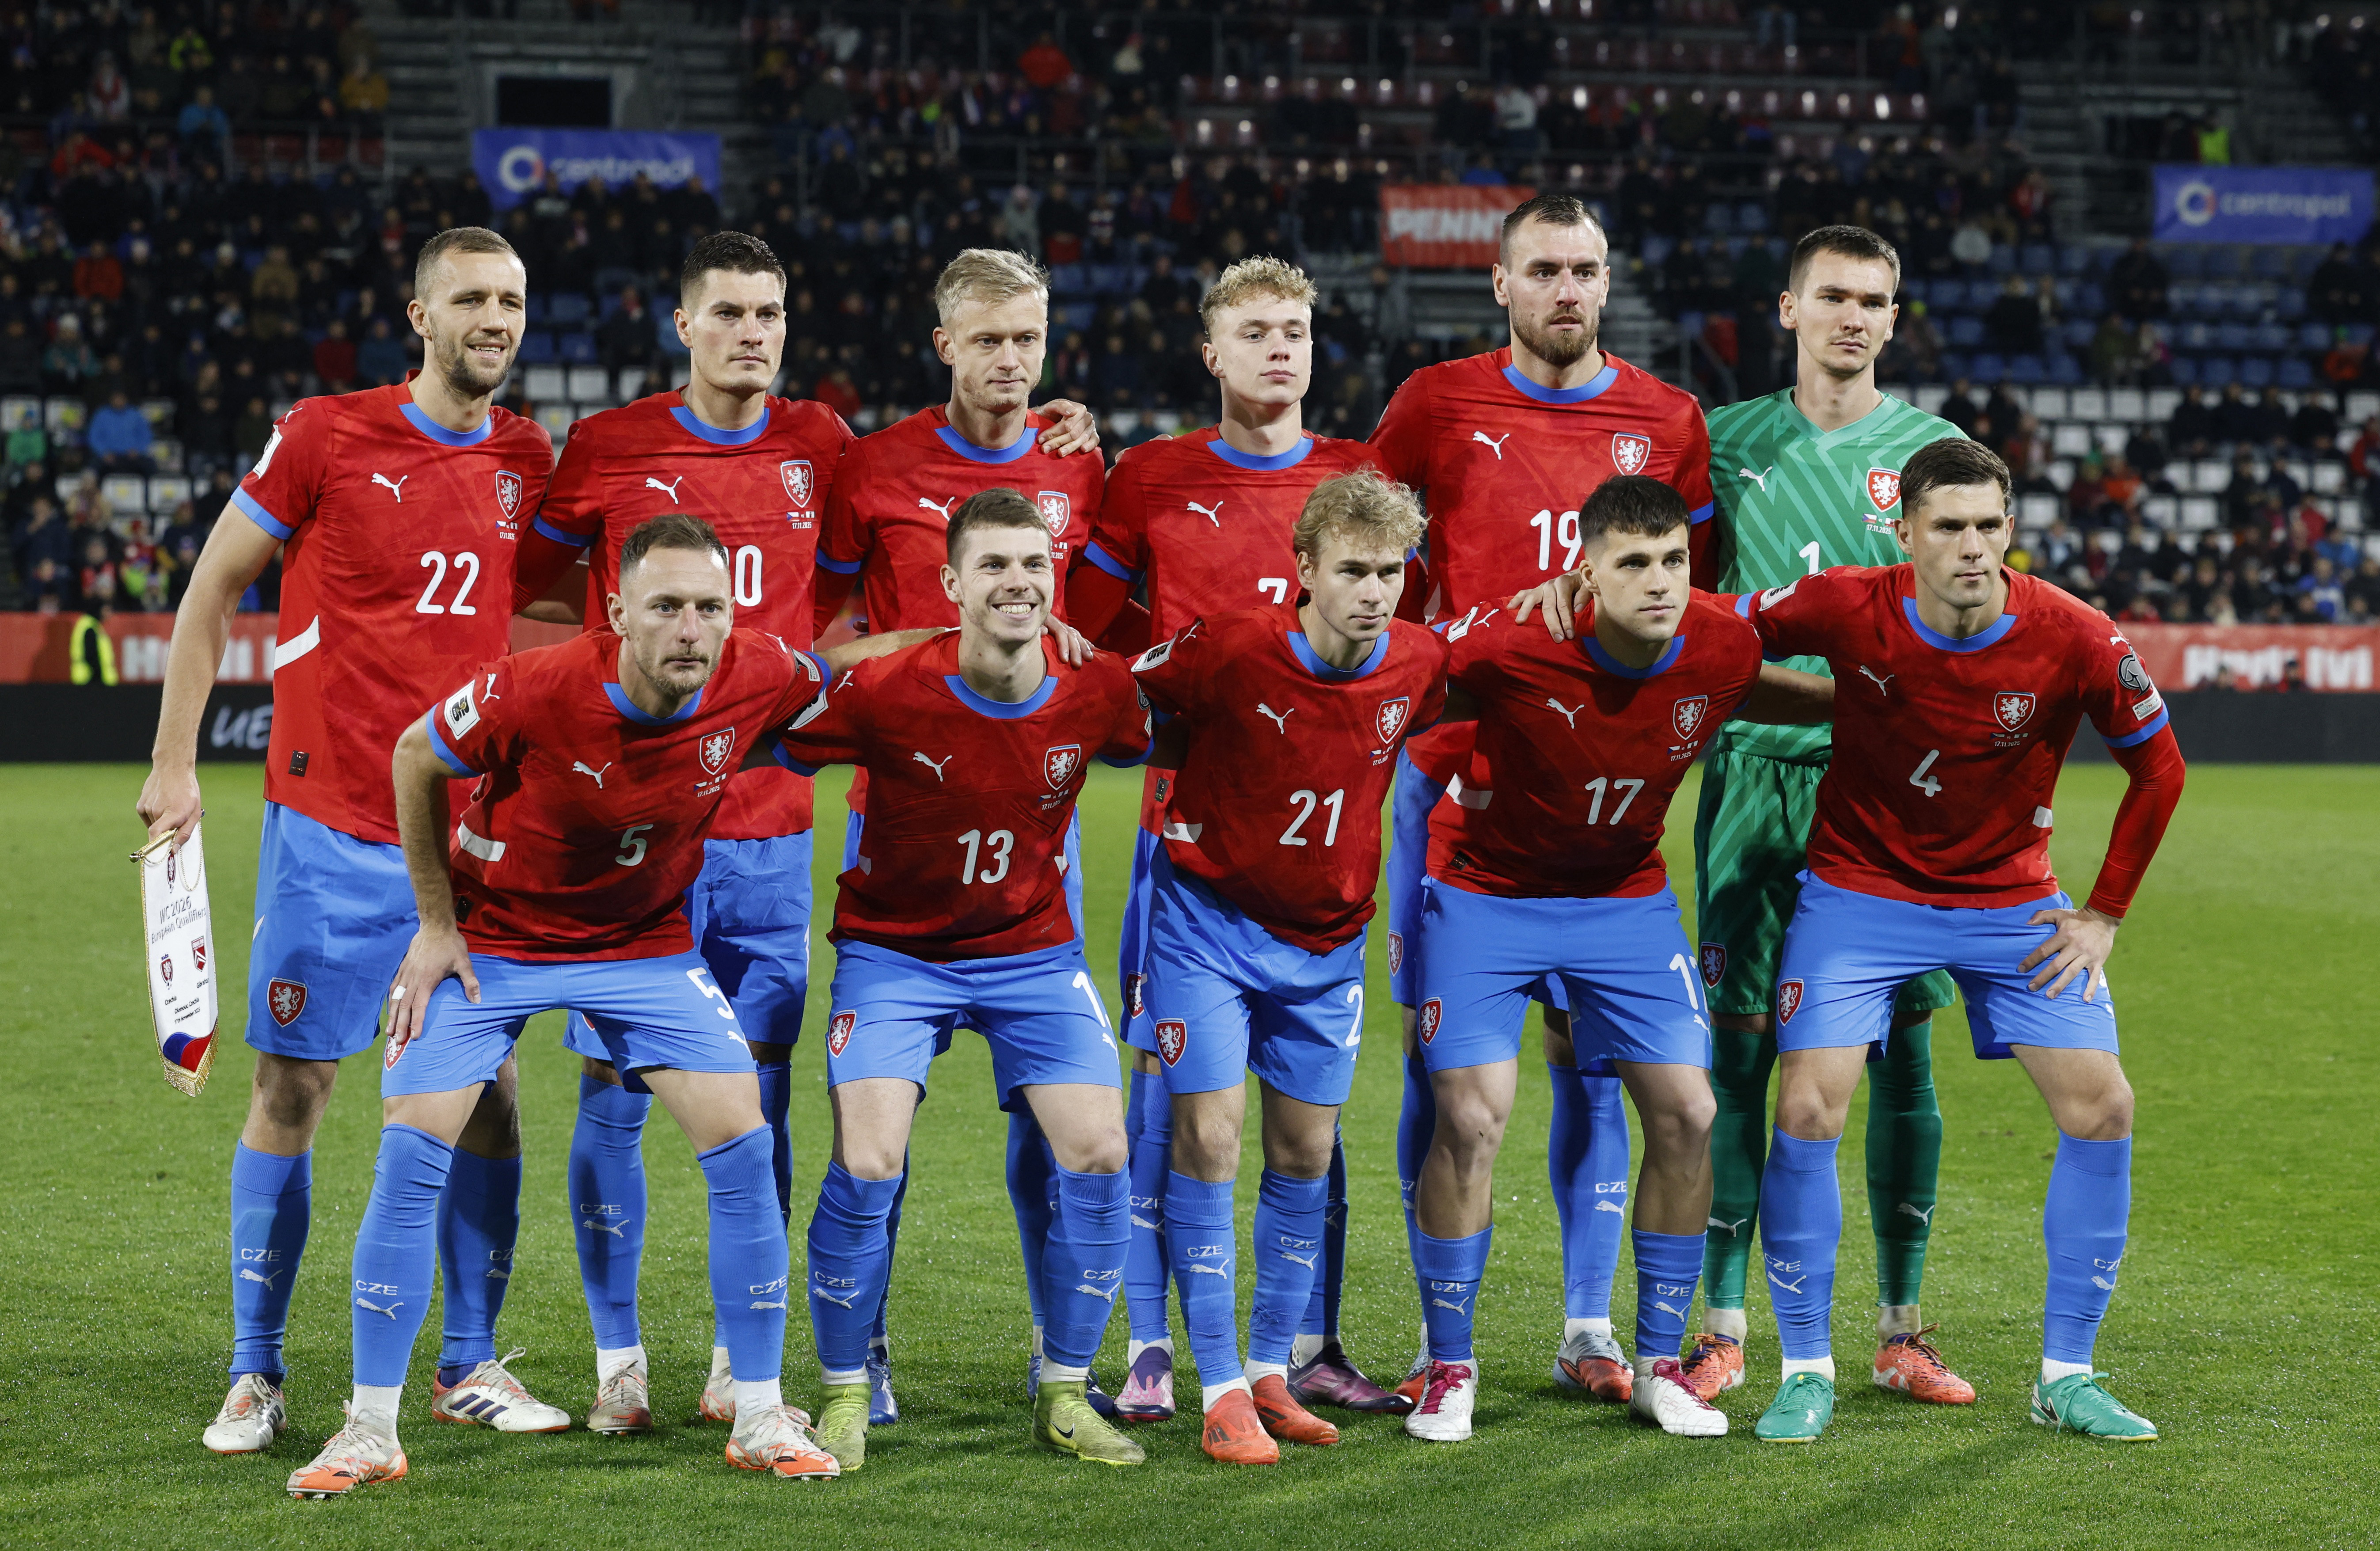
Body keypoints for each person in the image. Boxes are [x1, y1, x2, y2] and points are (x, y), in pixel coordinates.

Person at [284, 516, 848, 1497]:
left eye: (709, 608)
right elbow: (418, 754)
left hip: (644, 949)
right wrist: (434, 924)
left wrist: (976, 636)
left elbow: (855, 672)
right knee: (414, 1148)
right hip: (495, 942)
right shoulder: (533, 686)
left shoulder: (761, 673)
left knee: (745, 1141)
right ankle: (369, 1427)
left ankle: (757, 1409)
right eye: (666, 607)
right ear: (618, 611)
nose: (690, 629)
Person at [136, 227, 563, 1458]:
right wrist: (174, 764)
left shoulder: (527, 458)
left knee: (487, 1097)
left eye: (513, 300)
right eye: (472, 298)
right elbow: (212, 587)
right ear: (419, 315)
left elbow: (572, 586)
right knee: (292, 1084)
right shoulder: (326, 431)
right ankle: (255, 1372)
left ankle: (468, 1362)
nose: (496, 317)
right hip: (329, 827)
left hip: (467, 837)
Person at [1734, 437, 2183, 1444]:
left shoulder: (2071, 633)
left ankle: (2065, 1374)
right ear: (1906, 534)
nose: (1971, 547)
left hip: (2010, 899)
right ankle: (1804, 1368)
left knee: (2102, 1105)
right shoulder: (1845, 602)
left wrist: (2102, 913)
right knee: (1806, 1105)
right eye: (1948, 527)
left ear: (2009, 531)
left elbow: (2159, 768)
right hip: (1859, 891)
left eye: (1988, 526)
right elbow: (1719, 629)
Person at [1367, 190, 1715, 1407]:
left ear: (1607, 281)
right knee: (1447, 1082)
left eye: (1586, 269)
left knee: (1599, 1070)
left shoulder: (1668, 419)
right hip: (1456, 784)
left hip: (1596, 789)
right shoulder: (1432, 404)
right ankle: (1435, 1336)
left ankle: (1587, 1324)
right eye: (1544, 270)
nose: (1567, 289)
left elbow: (1687, 593)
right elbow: (1376, 563)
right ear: (1501, 286)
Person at [507, 232, 857, 1434]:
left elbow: (897, 556)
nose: (751, 332)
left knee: (757, 1096)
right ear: (682, 322)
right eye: (728, 312)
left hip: (768, 830)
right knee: (610, 1092)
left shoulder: (824, 445)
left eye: (769, 312)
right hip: (635, 835)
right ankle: (619, 1361)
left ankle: (731, 1357)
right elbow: (538, 592)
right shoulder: (608, 447)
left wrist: (1053, 422)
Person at [1403, 475, 1831, 1443]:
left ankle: (1656, 1365)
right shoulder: (1509, 642)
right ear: (1583, 571)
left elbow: (1762, 681)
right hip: (1488, 900)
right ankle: (1448, 1365)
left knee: (1688, 1112)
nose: (1658, 581)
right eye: (1631, 562)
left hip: (1624, 904)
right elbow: (1396, 678)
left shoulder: (1719, 643)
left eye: (1672, 560)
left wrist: (1878, 706)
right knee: (1469, 1119)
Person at [1067, 256, 1394, 1423]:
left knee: (1312, 1123)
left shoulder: (1362, 480)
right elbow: (1090, 642)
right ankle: (1156, 1349)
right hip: (1183, 850)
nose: (1279, 349)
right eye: (1253, 330)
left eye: (1295, 330)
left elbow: (1410, 640)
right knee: (1178, 1110)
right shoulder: (1151, 478)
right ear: (1211, 351)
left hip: (1321, 852)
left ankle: (1303, 1344)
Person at [779, 490, 1153, 1471]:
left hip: (1033, 951)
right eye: (991, 566)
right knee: (868, 1163)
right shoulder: (890, 689)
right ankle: (846, 1392)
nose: (1017, 582)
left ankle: (1067, 1389)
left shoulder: (1096, 687)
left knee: (1102, 1152)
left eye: (1033, 564)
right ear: (951, 585)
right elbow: (786, 720)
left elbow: (1160, 732)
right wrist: (873, 646)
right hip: (894, 953)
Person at [812, 247, 1108, 1418]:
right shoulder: (873, 465)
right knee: (876, 1132)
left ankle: (1060, 1348)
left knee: (1058, 1125)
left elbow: (1104, 626)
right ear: (944, 343)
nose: (1010, 359)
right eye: (987, 338)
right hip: (905, 826)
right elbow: (822, 618)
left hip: (1040, 836)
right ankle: (862, 1353)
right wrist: (896, 655)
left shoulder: (1080, 464)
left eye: (1028, 338)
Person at [1687, 225, 1975, 1405]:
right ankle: (1719, 1325)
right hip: (1756, 774)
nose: (1853, 316)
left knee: (1901, 1044)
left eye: (1874, 299)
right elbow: (1692, 619)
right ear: (1788, 308)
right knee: (1740, 1050)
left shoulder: (1935, 454)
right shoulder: (1721, 444)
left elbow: (1972, 620)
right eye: (1833, 296)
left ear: (1894, 319)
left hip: (1891, 795)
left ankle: (1901, 1326)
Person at [1130, 471, 1443, 1462]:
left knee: (1305, 1155)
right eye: (1351, 570)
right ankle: (1217, 1381)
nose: (1373, 591)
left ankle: (1270, 1367)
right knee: (1211, 1144)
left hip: (1327, 945)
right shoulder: (1229, 648)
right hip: (1205, 927)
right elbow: (1132, 699)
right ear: (1302, 569)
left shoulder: (1417, 661)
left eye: (1389, 572)